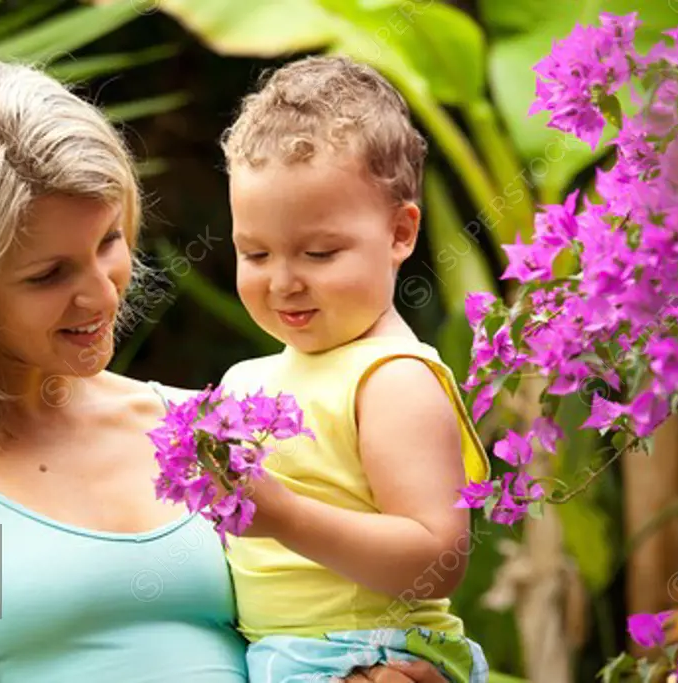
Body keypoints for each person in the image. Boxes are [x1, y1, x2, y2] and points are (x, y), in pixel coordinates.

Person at [0, 59, 451, 683]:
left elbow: (341, 609)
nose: (104, 294)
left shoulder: (199, 424)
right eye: (48, 274)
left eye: (108, 241)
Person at [212, 56, 493, 683]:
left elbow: (436, 558)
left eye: (319, 252)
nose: (284, 281)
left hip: (372, 654)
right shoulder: (243, 381)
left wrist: (280, 514)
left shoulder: (393, 378)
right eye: (254, 253)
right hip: (281, 656)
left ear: (399, 232)